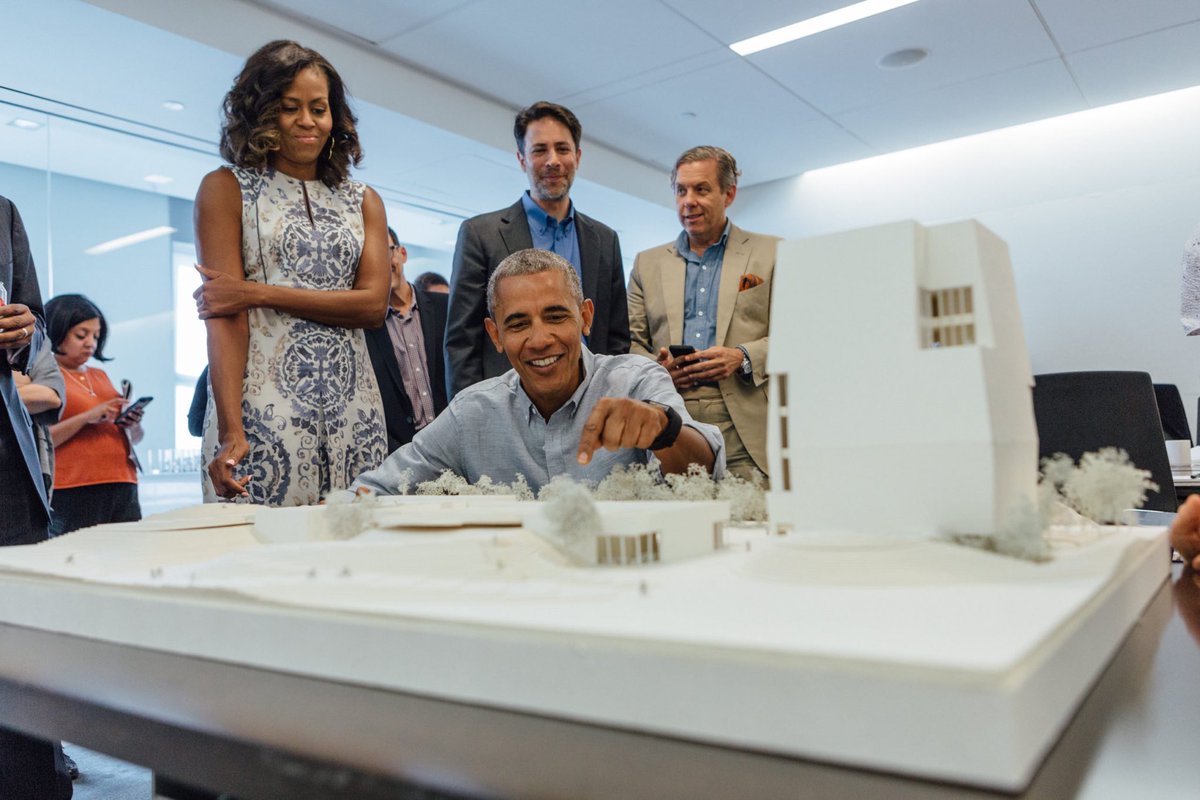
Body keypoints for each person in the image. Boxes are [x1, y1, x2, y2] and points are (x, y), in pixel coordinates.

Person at [193, 39, 390, 506]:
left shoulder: (363, 200)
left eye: (319, 109)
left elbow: (372, 305)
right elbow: (225, 315)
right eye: (290, 107)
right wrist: (229, 430)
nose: (308, 121)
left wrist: (256, 292)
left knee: (355, 561)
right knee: (260, 560)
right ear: (260, 113)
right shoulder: (226, 189)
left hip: (356, 411)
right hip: (260, 410)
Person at [353, 249, 723, 497]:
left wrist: (664, 429)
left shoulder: (636, 381)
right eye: (517, 324)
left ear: (586, 317)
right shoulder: (473, 413)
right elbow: (374, 491)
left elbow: (706, 475)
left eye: (556, 316)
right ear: (495, 336)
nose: (539, 339)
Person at [444, 101, 629, 399]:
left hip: (589, 403)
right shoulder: (481, 234)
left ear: (578, 157)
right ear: (521, 160)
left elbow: (616, 338)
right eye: (539, 150)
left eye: (562, 149)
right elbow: (461, 341)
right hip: (507, 405)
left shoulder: (604, 240)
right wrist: (470, 419)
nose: (553, 160)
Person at [628, 146, 777, 484]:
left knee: (750, 524)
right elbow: (631, 343)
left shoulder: (772, 253)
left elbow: (800, 336)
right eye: (681, 190)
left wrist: (741, 356)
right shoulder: (646, 263)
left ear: (729, 193)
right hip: (671, 417)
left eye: (701, 189)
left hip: (745, 421)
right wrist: (658, 370)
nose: (688, 200)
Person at [0, 195, 74, 799]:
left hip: (8, 473)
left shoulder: (3, 213)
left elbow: (32, 327)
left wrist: (20, 334)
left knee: (22, 668)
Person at [45, 294, 144, 535]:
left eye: (96, 336)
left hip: (122, 481)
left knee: (127, 561)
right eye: (81, 335)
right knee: (74, 563)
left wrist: (132, 424)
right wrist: (86, 417)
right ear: (57, 330)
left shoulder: (100, 376)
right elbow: (40, 440)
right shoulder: (44, 378)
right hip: (72, 486)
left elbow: (134, 438)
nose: (91, 343)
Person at [363, 227, 449, 453]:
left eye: (386, 251)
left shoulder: (446, 307)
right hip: (404, 455)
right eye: (370, 257)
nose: (380, 263)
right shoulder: (364, 328)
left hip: (455, 440)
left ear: (402, 253)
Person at [14, 337, 64, 495]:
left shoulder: (33, 334)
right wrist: (22, 384)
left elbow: (50, 397)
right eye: (81, 336)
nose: (90, 343)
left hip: (25, 465)